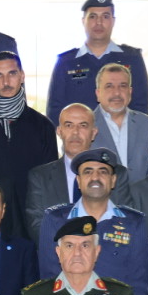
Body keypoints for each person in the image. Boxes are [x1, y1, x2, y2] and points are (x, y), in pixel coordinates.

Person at [36, 148, 148, 295]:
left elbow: (140, 284)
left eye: (103, 172)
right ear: (78, 181)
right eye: (88, 172)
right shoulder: (55, 220)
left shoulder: (134, 223)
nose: (95, 177)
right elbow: (49, 278)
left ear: (113, 180)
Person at [46, 0, 148, 118]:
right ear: (83, 21)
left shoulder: (132, 58)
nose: (99, 22)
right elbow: (55, 111)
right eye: (93, 16)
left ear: (113, 21)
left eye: (105, 16)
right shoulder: (66, 62)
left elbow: (141, 107)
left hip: (122, 130)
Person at [0, 52, 57, 205]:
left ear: (22, 76)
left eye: (12, 73)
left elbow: (50, 181)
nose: (6, 82)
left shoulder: (44, 126)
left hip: (31, 212)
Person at [23, 104, 113, 246]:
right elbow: (37, 227)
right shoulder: (40, 177)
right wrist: (69, 251)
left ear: (94, 133)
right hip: (56, 256)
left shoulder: (114, 174)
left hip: (104, 255)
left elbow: (121, 224)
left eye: (83, 125)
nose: (75, 132)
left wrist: (92, 251)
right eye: (69, 125)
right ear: (59, 131)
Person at [90, 62, 148, 187]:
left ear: (130, 92)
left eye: (123, 86)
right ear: (98, 93)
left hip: (142, 198)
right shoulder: (86, 126)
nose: (116, 93)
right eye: (109, 86)